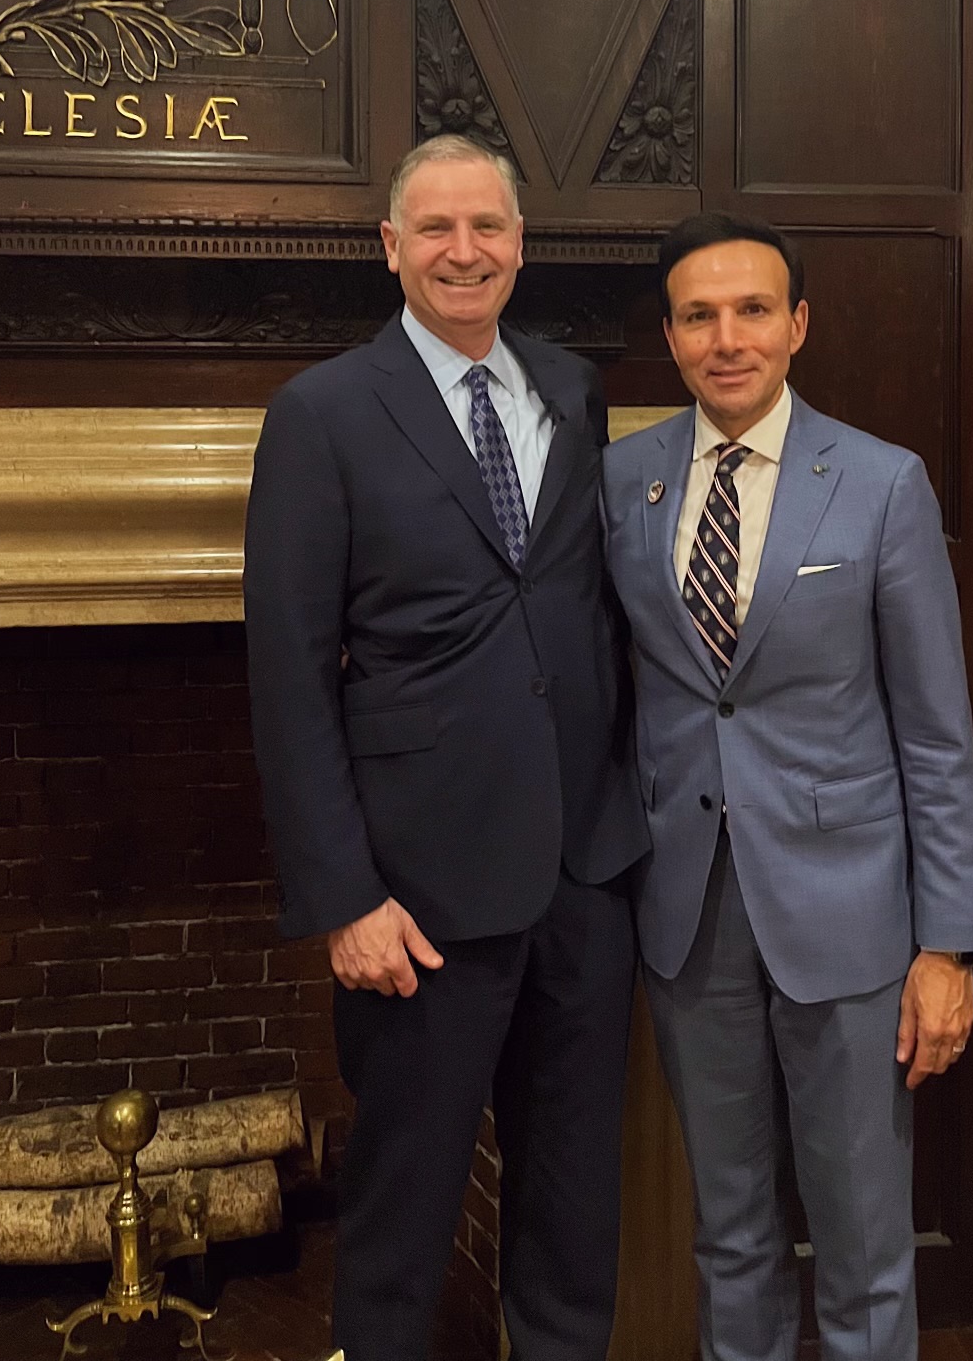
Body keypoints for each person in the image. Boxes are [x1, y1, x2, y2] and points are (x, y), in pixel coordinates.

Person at [244, 134, 647, 1361]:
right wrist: (344, 898)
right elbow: (289, 677)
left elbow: (582, 619)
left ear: (520, 245)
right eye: (435, 230)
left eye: (487, 228)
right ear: (391, 249)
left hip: (584, 874)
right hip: (417, 898)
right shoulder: (320, 415)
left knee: (575, 1210)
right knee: (403, 1213)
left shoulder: (574, 392)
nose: (463, 252)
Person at [602, 211, 973, 1361]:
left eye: (753, 309)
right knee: (729, 1235)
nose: (728, 337)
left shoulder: (880, 484)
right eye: (699, 315)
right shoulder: (625, 482)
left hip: (852, 920)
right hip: (688, 913)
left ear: (798, 324)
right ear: (668, 335)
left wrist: (948, 947)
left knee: (865, 1241)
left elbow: (936, 734)